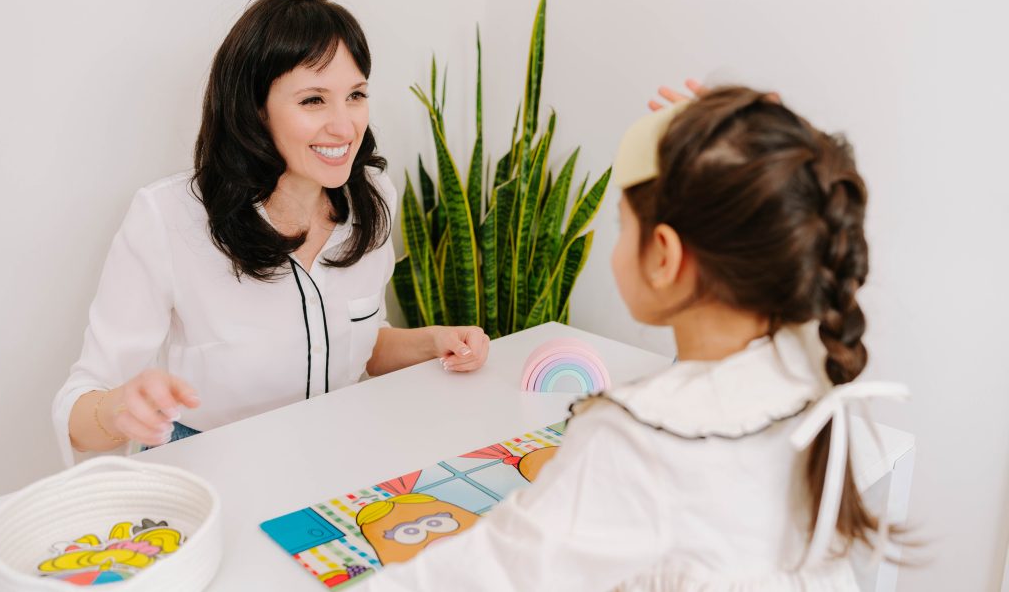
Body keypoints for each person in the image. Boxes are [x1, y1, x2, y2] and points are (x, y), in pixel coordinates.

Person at [363, 82, 908, 590]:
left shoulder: (634, 440)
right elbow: (794, 211)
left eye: (623, 225)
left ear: (664, 256)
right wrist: (750, 149)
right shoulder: (813, 353)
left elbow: (480, 576)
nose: (616, 244)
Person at [52, 0, 489, 466]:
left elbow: (353, 344)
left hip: (340, 459)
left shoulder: (374, 199)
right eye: (313, 101)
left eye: (356, 95)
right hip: (215, 470)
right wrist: (117, 411)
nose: (345, 127)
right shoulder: (168, 217)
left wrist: (435, 342)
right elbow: (81, 407)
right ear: (255, 109)